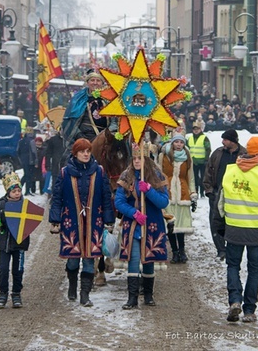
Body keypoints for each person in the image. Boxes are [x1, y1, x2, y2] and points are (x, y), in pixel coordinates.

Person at [213, 136, 258, 323]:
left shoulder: (230, 172)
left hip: (234, 229)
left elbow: (220, 204)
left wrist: (220, 227)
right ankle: (249, 310)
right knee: (254, 269)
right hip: (256, 232)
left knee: (233, 266)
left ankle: (235, 300)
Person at [49, 138, 115, 307]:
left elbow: (106, 198)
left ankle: (85, 294)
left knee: (89, 258)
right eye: (82, 151)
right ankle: (72, 286)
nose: (86, 154)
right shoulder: (65, 173)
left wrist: (109, 219)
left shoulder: (99, 172)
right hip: (71, 222)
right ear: (75, 153)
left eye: (88, 151)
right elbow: (57, 197)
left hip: (93, 222)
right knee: (72, 259)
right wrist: (55, 219)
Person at [115, 143, 169, 310]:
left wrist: (150, 190)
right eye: (135, 158)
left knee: (149, 259)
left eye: (140, 158)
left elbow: (163, 202)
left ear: (146, 158)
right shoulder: (126, 176)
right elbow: (119, 201)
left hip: (152, 223)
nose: (137, 161)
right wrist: (134, 213)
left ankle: (148, 295)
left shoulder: (156, 175)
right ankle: (132, 298)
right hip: (133, 225)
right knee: (134, 258)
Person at [203, 129, 246, 260]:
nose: (223, 142)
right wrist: (209, 190)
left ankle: (232, 247)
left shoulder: (244, 154)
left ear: (233, 141)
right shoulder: (218, 153)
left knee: (233, 224)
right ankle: (221, 249)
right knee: (216, 222)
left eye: (225, 139)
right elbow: (209, 171)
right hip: (217, 193)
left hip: (236, 195)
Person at [0, 172, 30, 309]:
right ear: (8, 191)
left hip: (19, 244)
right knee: (3, 269)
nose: (17, 193)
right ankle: (3, 293)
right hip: (4, 244)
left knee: (18, 270)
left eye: (19, 190)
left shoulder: (25, 205)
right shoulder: (0, 205)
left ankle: (16, 293)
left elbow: (29, 223)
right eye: (14, 191)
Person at [158, 132, 197, 264]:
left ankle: (182, 251)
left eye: (181, 142)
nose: (179, 145)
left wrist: (193, 193)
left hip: (183, 192)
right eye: (176, 142)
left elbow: (190, 176)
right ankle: (174, 252)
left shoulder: (187, 156)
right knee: (170, 224)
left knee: (181, 225)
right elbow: (158, 173)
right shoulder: (163, 155)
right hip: (167, 193)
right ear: (172, 142)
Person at [61, 69, 110, 155]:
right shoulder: (78, 99)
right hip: (84, 136)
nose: (95, 83)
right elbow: (69, 121)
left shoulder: (110, 99)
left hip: (106, 138)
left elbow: (116, 120)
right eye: (92, 80)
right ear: (87, 83)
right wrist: (80, 136)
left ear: (102, 83)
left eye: (98, 80)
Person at [186, 120, 211, 198]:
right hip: (193, 161)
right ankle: (195, 191)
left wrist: (206, 159)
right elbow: (187, 149)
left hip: (202, 161)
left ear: (200, 129)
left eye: (197, 129)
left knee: (203, 177)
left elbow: (208, 149)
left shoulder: (204, 138)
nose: (196, 131)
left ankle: (202, 192)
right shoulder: (189, 138)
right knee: (194, 178)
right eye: (194, 129)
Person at [17, 126, 37, 196]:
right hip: (30, 161)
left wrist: (21, 159)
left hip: (24, 160)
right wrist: (36, 161)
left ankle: (19, 188)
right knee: (28, 176)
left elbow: (18, 151)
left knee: (26, 175)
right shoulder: (32, 141)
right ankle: (26, 190)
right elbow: (34, 152)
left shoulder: (21, 141)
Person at [45, 127, 64, 194]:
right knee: (55, 182)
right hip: (55, 165)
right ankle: (54, 197)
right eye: (62, 129)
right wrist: (47, 164)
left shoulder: (69, 140)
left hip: (66, 165)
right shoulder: (53, 140)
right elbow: (48, 153)